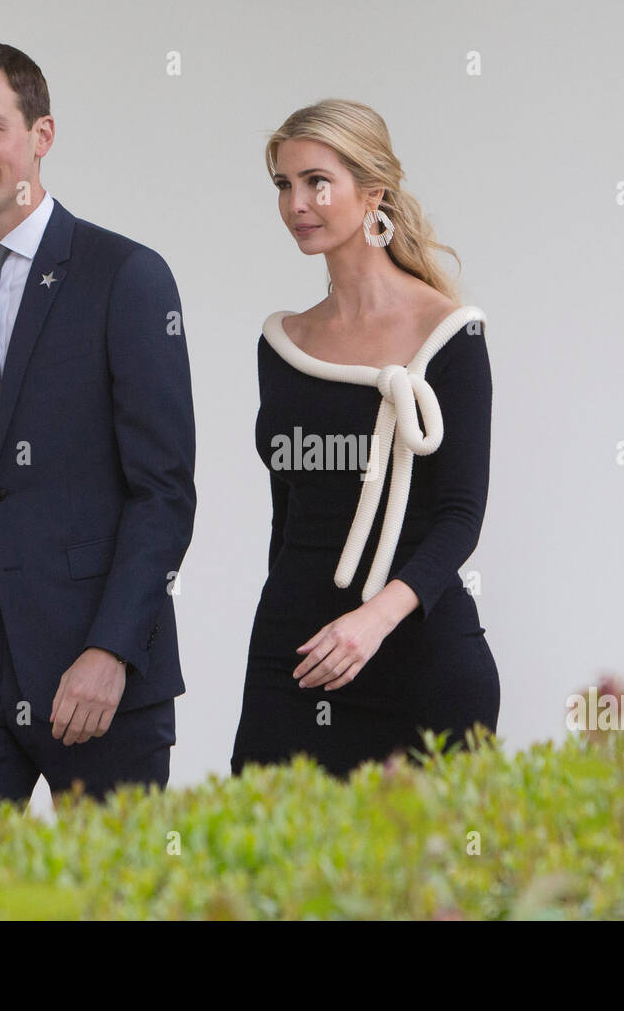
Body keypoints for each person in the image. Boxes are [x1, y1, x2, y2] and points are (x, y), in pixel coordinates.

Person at [0, 41, 196, 834]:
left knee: (114, 902)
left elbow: (163, 492)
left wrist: (112, 652)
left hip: (96, 660)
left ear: (41, 135)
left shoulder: (126, 276)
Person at [231, 99, 499, 778]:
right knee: (266, 870)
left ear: (372, 192)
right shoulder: (283, 343)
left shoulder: (450, 334)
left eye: (316, 181)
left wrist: (372, 621)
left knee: (432, 884)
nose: (297, 202)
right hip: (301, 657)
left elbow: (461, 516)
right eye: (284, 185)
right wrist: (276, 645)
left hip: (420, 661)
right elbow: (285, 520)